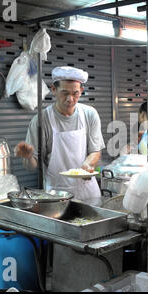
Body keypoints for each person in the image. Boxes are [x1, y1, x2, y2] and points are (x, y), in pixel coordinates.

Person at [14, 66, 105, 201]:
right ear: (54, 90)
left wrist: (89, 164)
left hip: (88, 191)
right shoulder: (41, 120)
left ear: (81, 90)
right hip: (56, 195)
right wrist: (28, 157)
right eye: (64, 93)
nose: (70, 99)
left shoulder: (90, 114)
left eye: (75, 93)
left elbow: (95, 151)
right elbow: (32, 166)